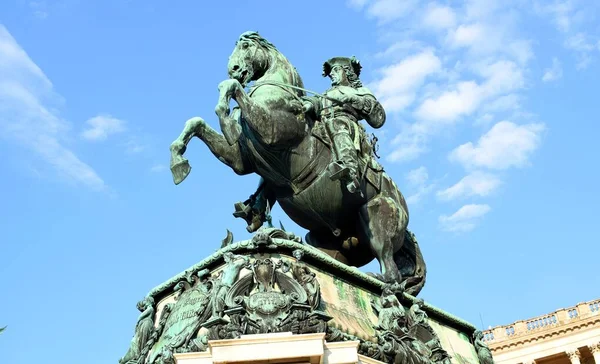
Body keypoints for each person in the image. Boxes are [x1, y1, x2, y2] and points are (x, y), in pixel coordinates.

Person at [302, 56, 386, 194]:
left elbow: (378, 118)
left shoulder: (359, 91)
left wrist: (352, 99)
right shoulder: (326, 94)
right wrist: (309, 104)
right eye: (331, 73)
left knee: (338, 125)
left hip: (345, 123)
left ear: (346, 72)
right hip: (323, 123)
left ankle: (350, 169)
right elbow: (317, 102)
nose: (332, 74)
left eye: (335, 70)